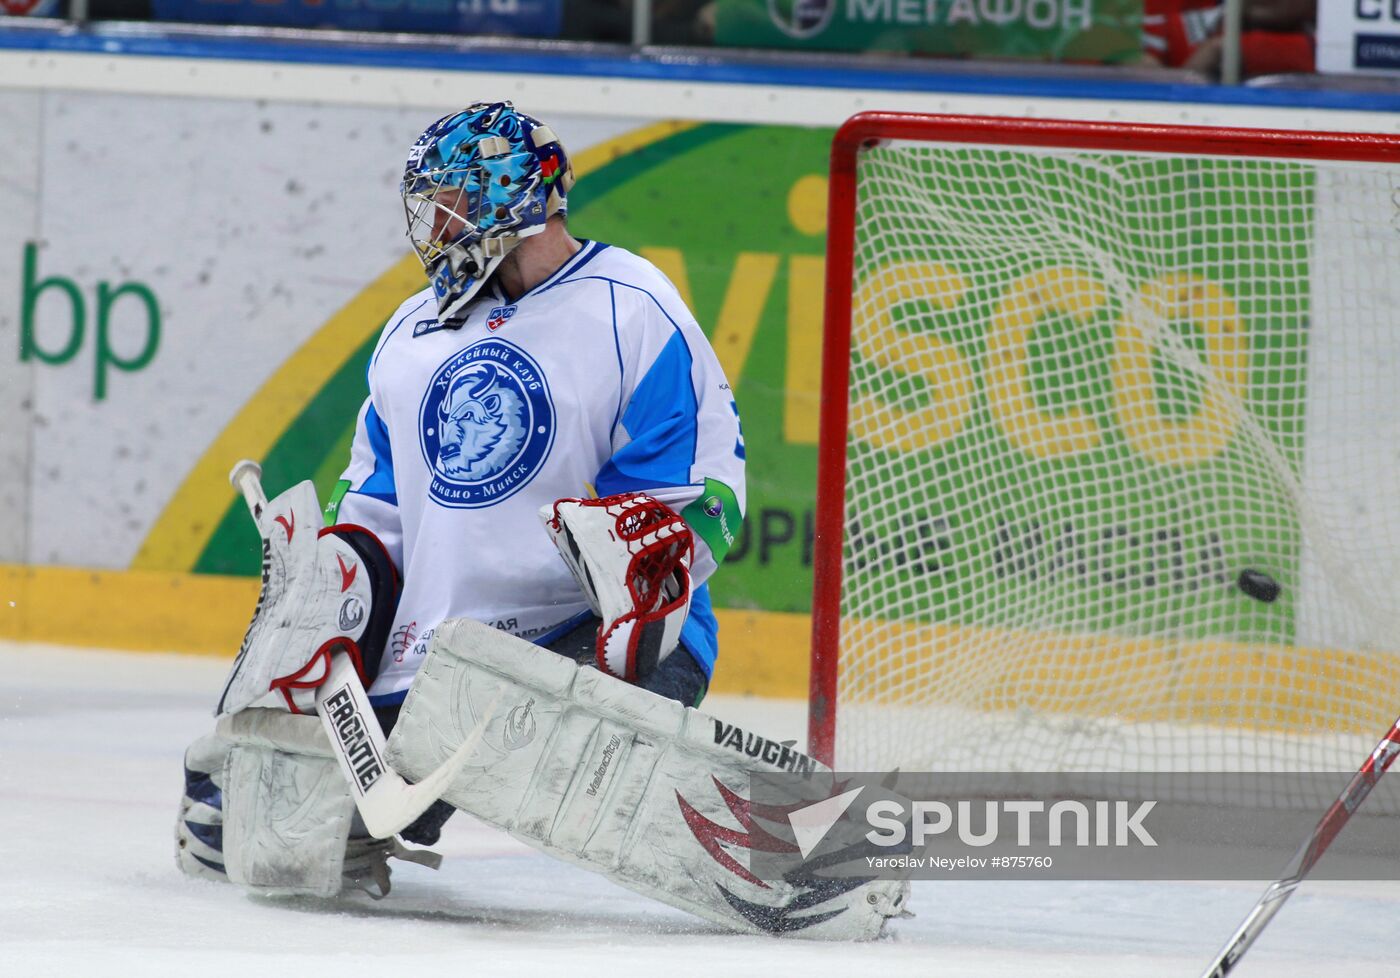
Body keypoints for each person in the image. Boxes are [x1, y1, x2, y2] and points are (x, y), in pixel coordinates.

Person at [175, 100, 747, 890]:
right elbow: (375, 508)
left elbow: (703, 493)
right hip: (435, 660)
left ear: (507, 198)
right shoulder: (411, 331)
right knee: (252, 828)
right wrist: (329, 598)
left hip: (592, 643)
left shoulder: (631, 307)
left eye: (449, 202)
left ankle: (722, 817)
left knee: (540, 731)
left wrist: (642, 579)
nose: (435, 225)